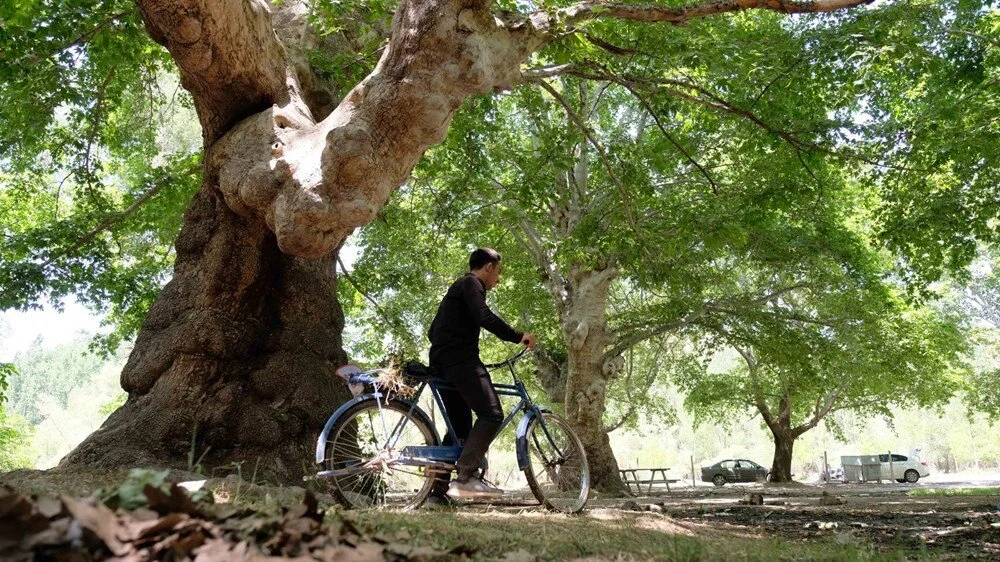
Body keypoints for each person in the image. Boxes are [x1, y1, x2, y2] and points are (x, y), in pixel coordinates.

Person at [425, 248, 535, 503]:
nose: (498, 279)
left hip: (442, 362)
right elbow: (483, 316)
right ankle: (466, 478)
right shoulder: (471, 283)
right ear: (488, 267)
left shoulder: (457, 288)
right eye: (498, 272)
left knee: (459, 428)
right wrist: (519, 336)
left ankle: (437, 495)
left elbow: (432, 331)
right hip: (460, 361)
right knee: (492, 413)